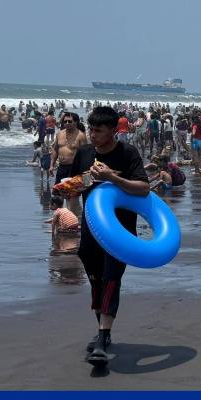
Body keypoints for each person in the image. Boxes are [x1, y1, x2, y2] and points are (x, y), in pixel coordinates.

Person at [68, 106, 150, 365]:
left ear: (114, 131)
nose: (92, 135)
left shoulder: (127, 153)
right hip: (90, 230)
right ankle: (103, 331)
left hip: (120, 231)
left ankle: (103, 338)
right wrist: (67, 201)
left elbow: (143, 188)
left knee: (112, 279)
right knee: (95, 281)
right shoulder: (83, 154)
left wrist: (110, 177)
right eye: (90, 129)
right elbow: (74, 185)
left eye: (98, 131)